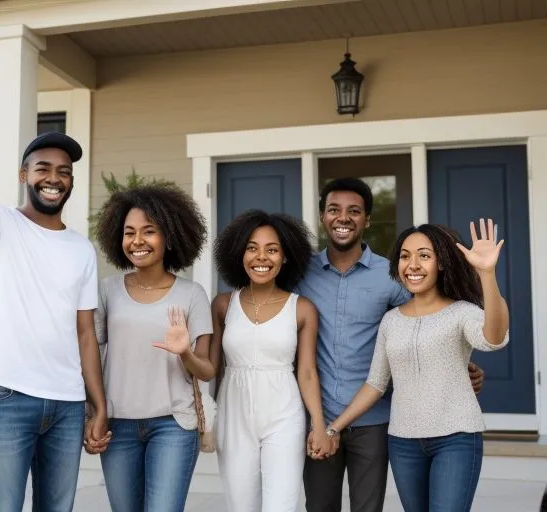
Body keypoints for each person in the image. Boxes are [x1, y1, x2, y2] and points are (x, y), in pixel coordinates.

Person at [0, 39, 110, 511]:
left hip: (68, 405)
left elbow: (86, 335)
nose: (54, 177)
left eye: (65, 171)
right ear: (23, 174)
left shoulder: (81, 249)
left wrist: (99, 404)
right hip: (9, 398)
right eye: (43, 168)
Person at [296, 178, 485, 512]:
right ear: (322, 216)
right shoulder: (300, 275)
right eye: (334, 210)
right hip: (318, 415)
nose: (343, 218)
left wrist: (459, 364)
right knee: (319, 506)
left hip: (375, 420)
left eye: (354, 211)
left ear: (367, 220)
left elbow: (430, 319)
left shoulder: (393, 275)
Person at [326, 219, 510, 511]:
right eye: (405, 256)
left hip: (456, 438)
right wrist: (334, 428)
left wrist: (486, 273)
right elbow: (375, 383)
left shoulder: (462, 312)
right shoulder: (391, 320)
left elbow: (494, 337)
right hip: (403, 442)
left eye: (424, 255)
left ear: (441, 263)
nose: (412, 264)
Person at [89, 184, 215, 512]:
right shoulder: (107, 291)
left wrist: (185, 351)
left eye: (149, 231)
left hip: (173, 424)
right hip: (118, 424)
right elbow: (89, 353)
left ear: (169, 236)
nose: (138, 241)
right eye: (129, 232)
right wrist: (92, 413)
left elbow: (207, 369)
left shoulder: (192, 294)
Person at [209, 209, 331, 512]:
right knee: (241, 505)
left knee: (282, 505)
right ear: (239, 254)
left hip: (283, 414)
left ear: (285, 257)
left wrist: (318, 423)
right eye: (252, 248)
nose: (261, 257)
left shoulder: (302, 308)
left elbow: (306, 371)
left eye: (272, 249)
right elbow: (211, 369)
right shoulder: (223, 305)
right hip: (233, 413)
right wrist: (204, 416)